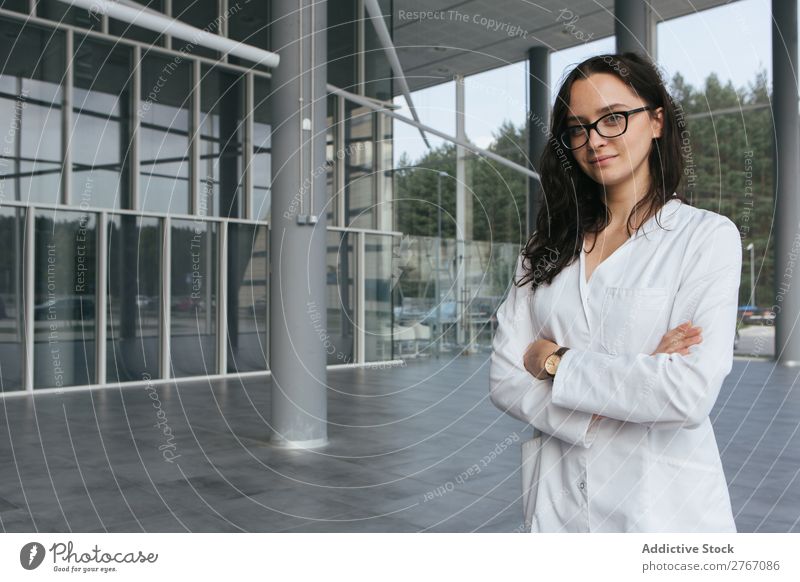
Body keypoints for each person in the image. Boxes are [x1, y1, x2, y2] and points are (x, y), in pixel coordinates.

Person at [489, 52, 742, 533]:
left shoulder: (705, 238)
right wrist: (635, 381)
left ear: (657, 121)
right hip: (558, 511)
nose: (594, 141)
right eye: (578, 128)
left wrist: (554, 361)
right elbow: (504, 377)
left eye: (613, 119)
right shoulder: (544, 250)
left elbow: (687, 393)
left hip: (663, 517)